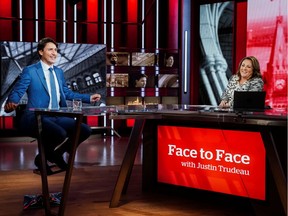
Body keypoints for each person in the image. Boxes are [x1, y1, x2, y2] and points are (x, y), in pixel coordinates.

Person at [4, 37, 101, 174]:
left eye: (56, 50)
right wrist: (11, 102)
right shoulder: (30, 71)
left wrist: (88, 98)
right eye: (50, 49)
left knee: (84, 130)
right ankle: (43, 159)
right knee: (59, 133)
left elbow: (66, 93)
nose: (54, 53)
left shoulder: (59, 72)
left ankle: (55, 154)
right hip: (35, 116)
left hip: (56, 115)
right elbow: (18, 90)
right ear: (40, 52)